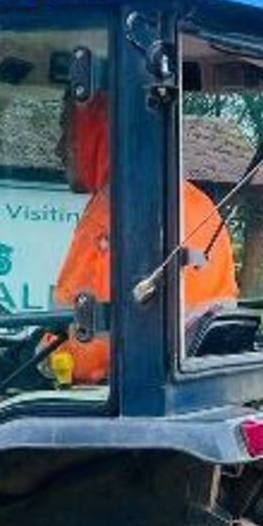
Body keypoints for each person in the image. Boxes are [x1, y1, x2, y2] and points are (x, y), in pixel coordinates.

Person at [52, 92, 237, 382]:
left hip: (126, 393)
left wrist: (40, 358)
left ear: (95, 130)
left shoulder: (114, 211)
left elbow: (89, 358)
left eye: (67, 130)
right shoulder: (199, 204)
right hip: (196, 384)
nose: (59, 148)